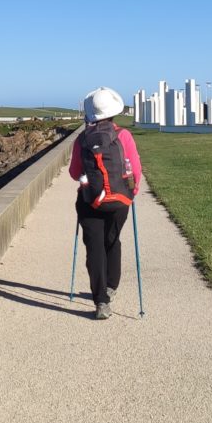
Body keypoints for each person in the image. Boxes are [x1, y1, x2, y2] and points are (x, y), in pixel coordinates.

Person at [68, 87, 142, 320]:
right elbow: (135, 170)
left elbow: (74, 172)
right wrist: (132, 192)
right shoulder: (124, 136)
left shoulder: (82, 140)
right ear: (113, 112)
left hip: (90, 200)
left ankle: (101, 301)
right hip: (120, 200)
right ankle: (111, 286)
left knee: (95, 248)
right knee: (112, 240)